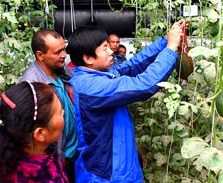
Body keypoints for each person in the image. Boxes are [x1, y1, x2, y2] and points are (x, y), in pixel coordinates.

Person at [66, 19, 189, 182]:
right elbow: (143, 85)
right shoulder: (92, 86)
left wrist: (165, 40)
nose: (111, 51)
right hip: (107, 175)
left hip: (118, 167)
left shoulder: (98, 74)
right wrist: (171, 49)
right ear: (88, 58)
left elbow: (133, 65)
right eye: (105, 48)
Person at [19, 29, 78, 182]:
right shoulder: (32, 85)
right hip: (59, 159)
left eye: (64, 49)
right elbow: (33, 133)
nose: (64, 55)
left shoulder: (63, 70)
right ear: (40, 55)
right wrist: (56, 158)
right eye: (58, 52)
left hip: (75, 154)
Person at [0, 81, 69, 182]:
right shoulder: (39, 177)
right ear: (40, 133)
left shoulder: (3, 155)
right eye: (59, 113)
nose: (63, 112)